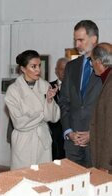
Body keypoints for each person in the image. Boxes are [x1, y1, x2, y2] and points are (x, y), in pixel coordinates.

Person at [5, 50, 60, 169]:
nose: (38, 70)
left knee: (43, 177)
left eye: (39, 66)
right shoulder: (13, 91)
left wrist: (49, 101)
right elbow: (19, 123)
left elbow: (53, 117)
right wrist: (42, 115)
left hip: (42, 141)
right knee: (22, 178)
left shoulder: (45, 85)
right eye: (33, 66)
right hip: (23, 141)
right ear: (23, 69)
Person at [59, 20, 102, 167]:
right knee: (71, 185)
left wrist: (93, 133)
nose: (77, 45)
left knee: (96, 185)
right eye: (75, 40)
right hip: (73, 142)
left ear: (94, 39)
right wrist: (69, 131)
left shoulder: (107, 67)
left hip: (97, 142)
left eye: (81, 40)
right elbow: (64, 101)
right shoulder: (71, 66)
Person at [90, 43, 112, 172]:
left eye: (92, 61)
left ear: (98, 62)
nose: (91, 64)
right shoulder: (107, 80)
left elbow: (110, 127)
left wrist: (105, 165)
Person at [48, 57, 68, 160]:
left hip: (69, 132)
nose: (64, 72)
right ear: (56, 71)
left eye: (67, 69)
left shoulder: (75, 87)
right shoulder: (48, 87)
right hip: (53, 132)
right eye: (61, 69)